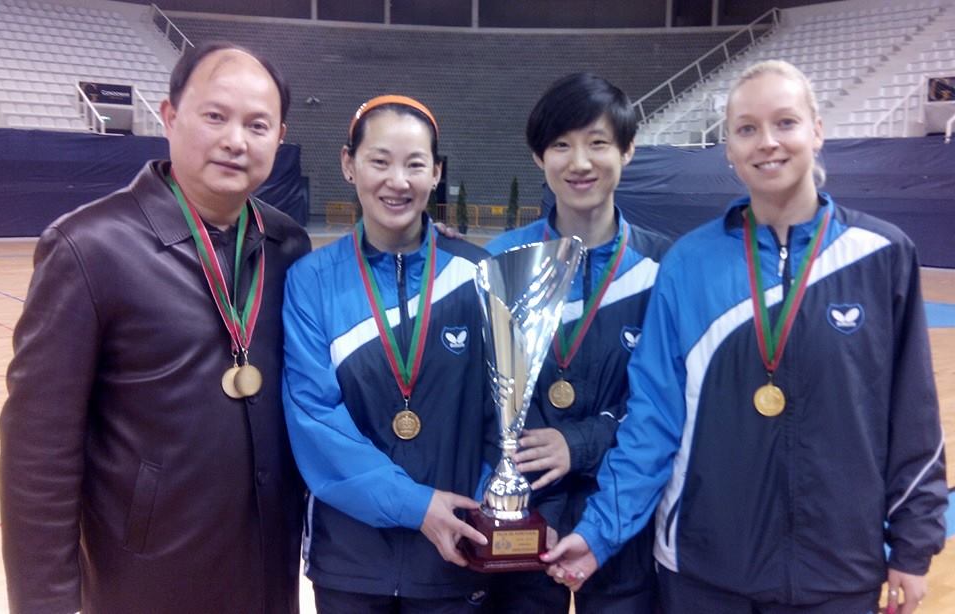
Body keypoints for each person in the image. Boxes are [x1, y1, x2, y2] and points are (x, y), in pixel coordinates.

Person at [543, 60, 947, 614]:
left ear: (817, 130)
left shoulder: (882, 254)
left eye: (785, 123)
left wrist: (913, 544)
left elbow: (913, 417)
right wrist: (601, 532)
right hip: (704, 571)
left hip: (840, 571)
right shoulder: (689, 265)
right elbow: (653, 421)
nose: (768, 143)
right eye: (747, 129)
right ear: (728, 149)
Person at [0, 42, 310, 613]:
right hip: (144, 577)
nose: (235, 140)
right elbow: (38, 450)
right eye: (215, 116)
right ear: (169, 117)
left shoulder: (287, 244)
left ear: (279, 138)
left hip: (268, 562)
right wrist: (43, 603)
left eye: (257, 124)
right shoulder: (89, 248)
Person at [282, 94, 496, 613]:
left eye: (415, 164)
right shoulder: (311, 280)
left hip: (454, 552)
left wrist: (487, 503)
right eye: (379, 161)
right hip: (350, 562)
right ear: (348, 165)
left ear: (436, 173)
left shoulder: (479, 273)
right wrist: (417, 505)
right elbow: (315, 419)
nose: (397, 181)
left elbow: (501, 410)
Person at [484, 73, 669, 613]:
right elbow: (481, 395)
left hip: (622, 520)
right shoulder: (501, 262)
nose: (579, 162)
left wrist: (581, 443)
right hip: (521, 523)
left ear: (628, 151)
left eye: (597, 142)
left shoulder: (662, 271)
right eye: (561, 145)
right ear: (540, 158)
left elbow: (666, 410)